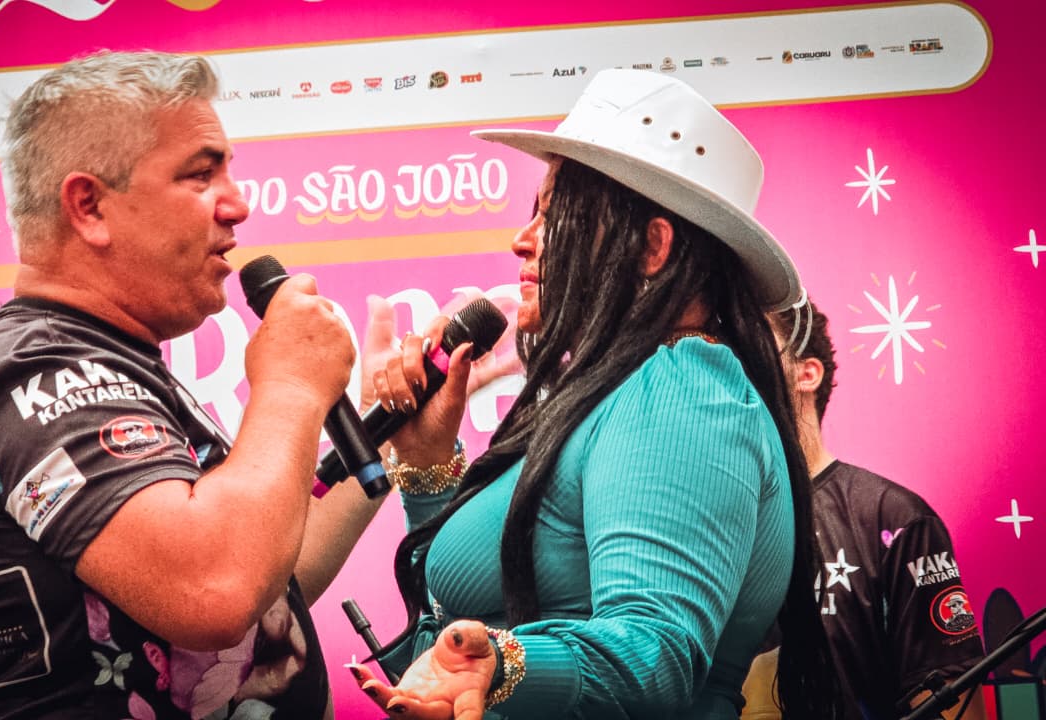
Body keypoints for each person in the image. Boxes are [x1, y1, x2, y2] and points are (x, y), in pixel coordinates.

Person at [0, 50, 387, 718]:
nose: (238, 204)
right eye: (201, 174)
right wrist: (292, 386)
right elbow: (214, 591)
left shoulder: (104, 362)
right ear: (89, 207)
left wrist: (395, 440)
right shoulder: (40, 375)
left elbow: (265, 581)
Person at [346, 68, 842, 719]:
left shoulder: (682, 394)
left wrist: (504, 665)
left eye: (553, 216)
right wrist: (427, 461)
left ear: (651, 248)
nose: (522, 240)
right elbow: (465, 624)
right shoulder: (619, 393)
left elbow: (655, 656)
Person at [741, 300, 987, 720]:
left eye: (754, 344)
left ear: (806, 374)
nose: (736, 359)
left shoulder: (895, 518)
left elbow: (953, 704)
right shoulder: (706, 521)